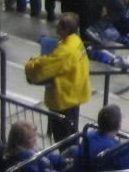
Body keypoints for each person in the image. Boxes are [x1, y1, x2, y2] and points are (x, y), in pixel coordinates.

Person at [24, 13, 92, 141]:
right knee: (72, 133)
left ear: (66, 29)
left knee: (62, 139)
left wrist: (30, 65)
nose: (56, 29)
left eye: (59, 26)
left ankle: (67, 159)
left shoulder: (65, 51)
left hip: (64, 100)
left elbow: (43, 68)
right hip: (74, 95)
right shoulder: (76, 41)